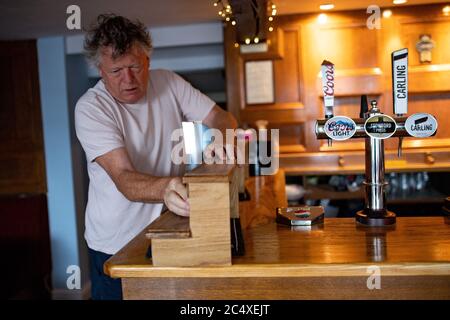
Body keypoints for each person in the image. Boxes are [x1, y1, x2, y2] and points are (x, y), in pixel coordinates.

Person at [75, 14, 237, 300]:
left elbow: (220, 116)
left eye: (135, 66)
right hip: (114, 241)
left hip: (166, 228)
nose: (129, 79)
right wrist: (168, 187)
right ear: (101, 70)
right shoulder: (91, 108)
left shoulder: (169, 82)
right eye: (116, 71)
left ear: (147, 61)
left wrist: (219, 136)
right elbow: (125, 179)